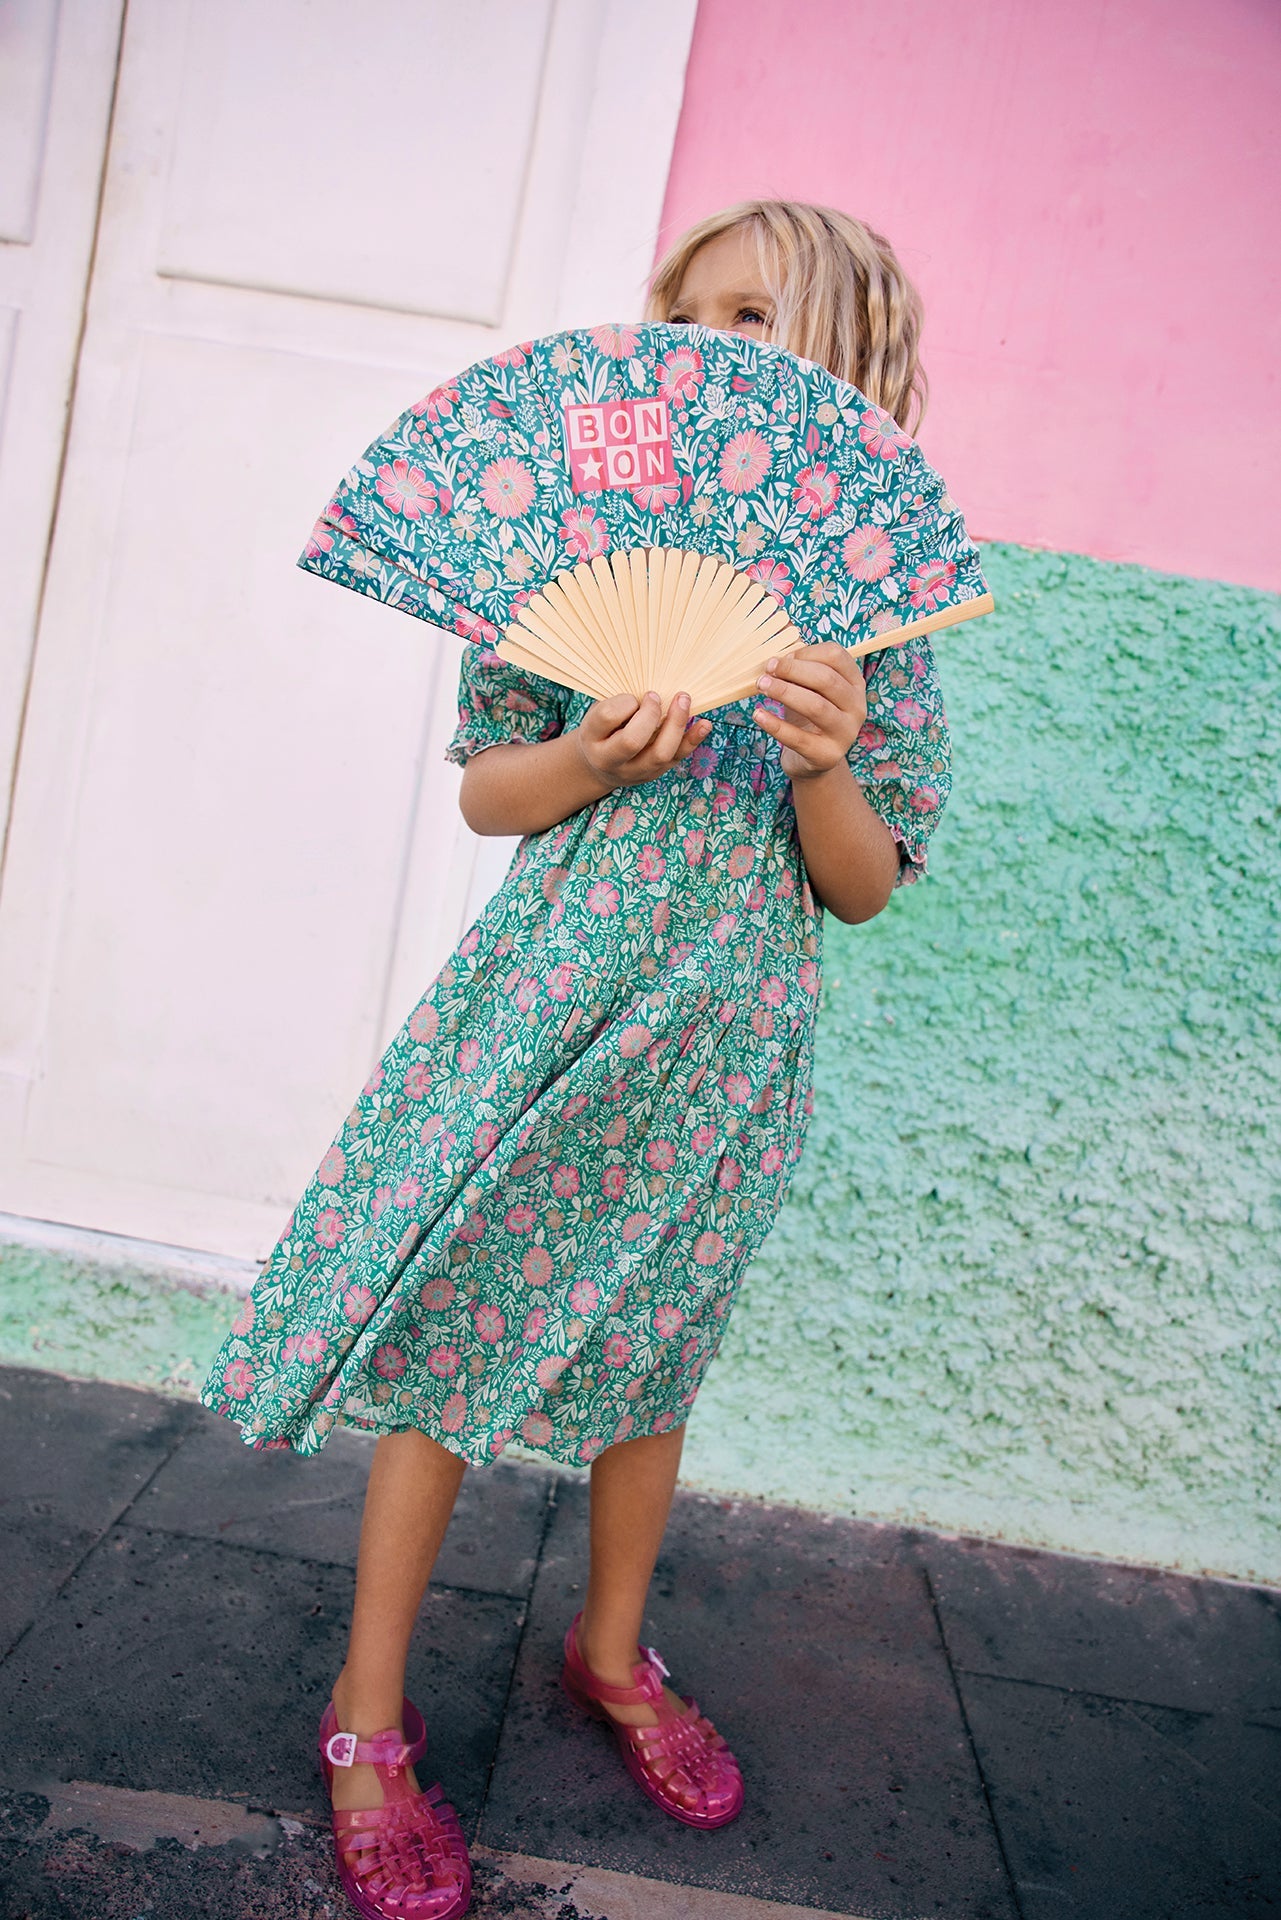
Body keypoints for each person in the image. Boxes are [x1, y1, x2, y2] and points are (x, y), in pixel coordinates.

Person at [202, 200, 951, 1920]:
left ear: (845, 356)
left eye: (755, 323)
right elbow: (490, 789)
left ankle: (612, 1651)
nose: (712, 355)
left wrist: (825, 760)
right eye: (689, 322)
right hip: (546, 1006)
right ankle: (366, 1716)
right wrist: (595, 760)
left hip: (727, 1033)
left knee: (655, 1356)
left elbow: (859, 889)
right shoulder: (569, 557)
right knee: (454, 1340)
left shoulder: (880, 621)